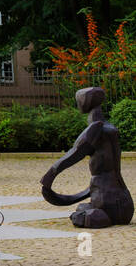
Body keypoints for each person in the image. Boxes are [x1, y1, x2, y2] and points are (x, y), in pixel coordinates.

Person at [41, 86, 133, 228]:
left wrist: (50, 175)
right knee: (82, 208)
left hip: (106, 200)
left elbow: (75, 153)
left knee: (80, 216)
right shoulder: (109, 127)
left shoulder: (96, 128)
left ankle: (99, 217)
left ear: (86, 102)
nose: (78, 104)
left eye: (80, 100)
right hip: (124, 202)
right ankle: (97, 214)